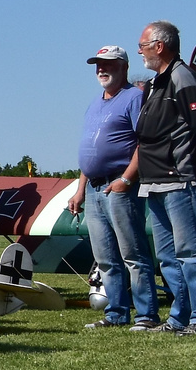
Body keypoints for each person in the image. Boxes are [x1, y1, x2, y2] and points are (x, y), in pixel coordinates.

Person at [135, 20, 196, 334]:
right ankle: (178, 319)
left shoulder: (182, 77)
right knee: (168, 256)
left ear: (159, 47)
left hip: (181, 180)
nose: (140, 51)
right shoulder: (155, 83)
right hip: (155, 181)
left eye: (143, 45)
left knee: (191, 252)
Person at [66, 46, 159, 331]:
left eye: (108, 65)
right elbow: (91, 150)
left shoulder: (134, 98)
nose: (101, 70)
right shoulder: (94, 103)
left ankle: (146, 315)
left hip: (119, 185)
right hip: (93, 188)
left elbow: (144, 144)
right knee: (105, 257)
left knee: (133, 254)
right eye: (97, 66)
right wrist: (80, 189)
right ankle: (116, 313)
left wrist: (127, 180)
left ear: (124, 67)